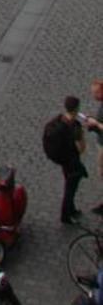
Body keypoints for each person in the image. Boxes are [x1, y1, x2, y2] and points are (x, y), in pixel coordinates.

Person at [45, 96, 90, 224]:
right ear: (76, 108)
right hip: (72, 162)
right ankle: (66, 216)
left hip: (63, 161)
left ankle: (72, 209)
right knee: (70, 190)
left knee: (69, 185)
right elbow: (81, 148)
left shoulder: (59, 120)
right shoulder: (75, 126)